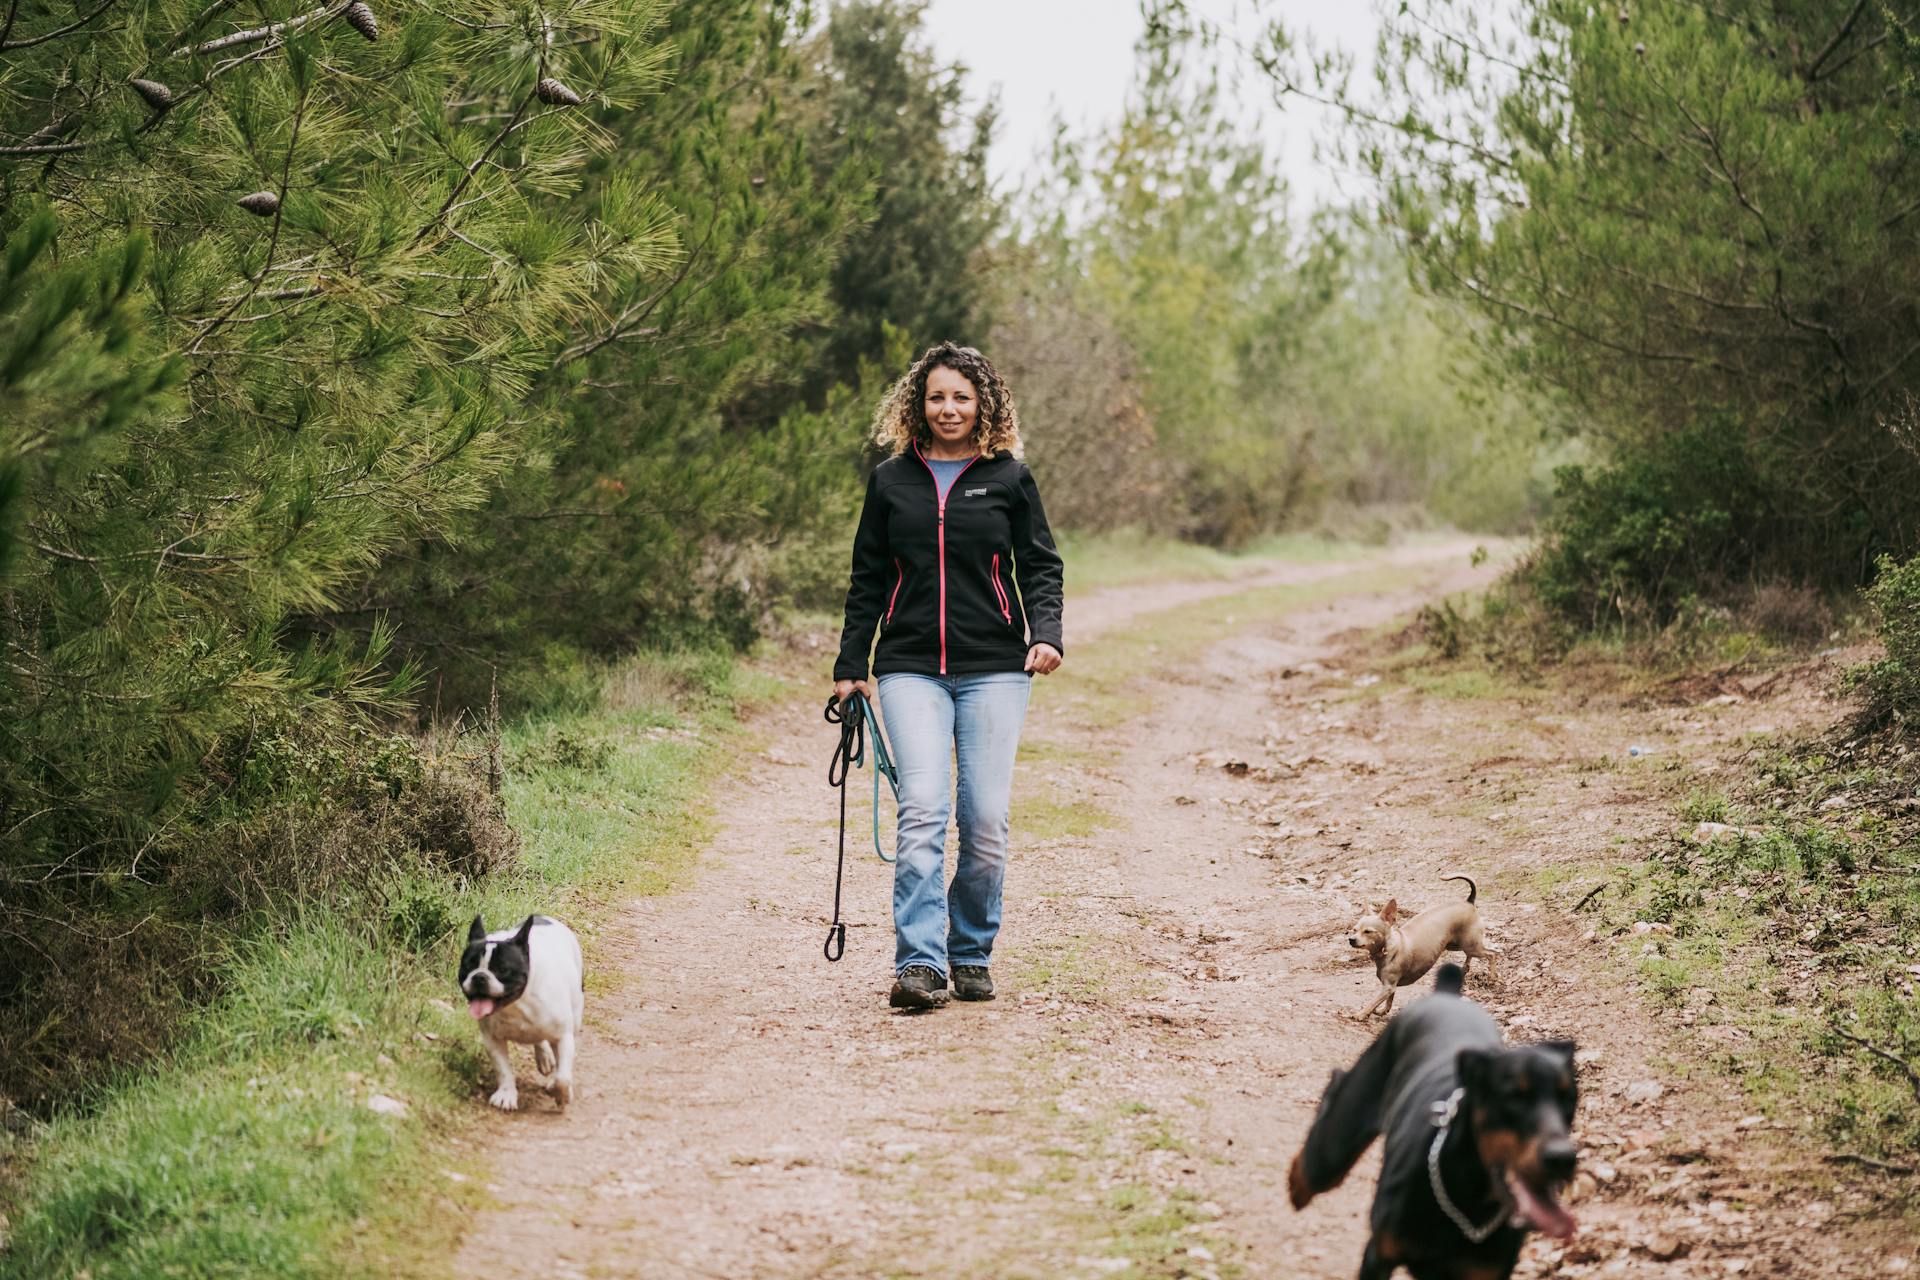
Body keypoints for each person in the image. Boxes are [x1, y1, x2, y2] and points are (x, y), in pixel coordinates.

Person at [833, 341, 1065, 1011]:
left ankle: (970, 951)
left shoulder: (1009, 479)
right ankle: (921, 964)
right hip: (909, 668)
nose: (949, 408)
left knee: (985, 818)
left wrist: (1044, 633)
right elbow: (868, 579)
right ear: (918, 403)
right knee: (924, 809)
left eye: (961, 396)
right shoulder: (890, 481)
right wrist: (853, 666)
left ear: (983, 404)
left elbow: (1041, 567)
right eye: (937, 396)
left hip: (995, 667)